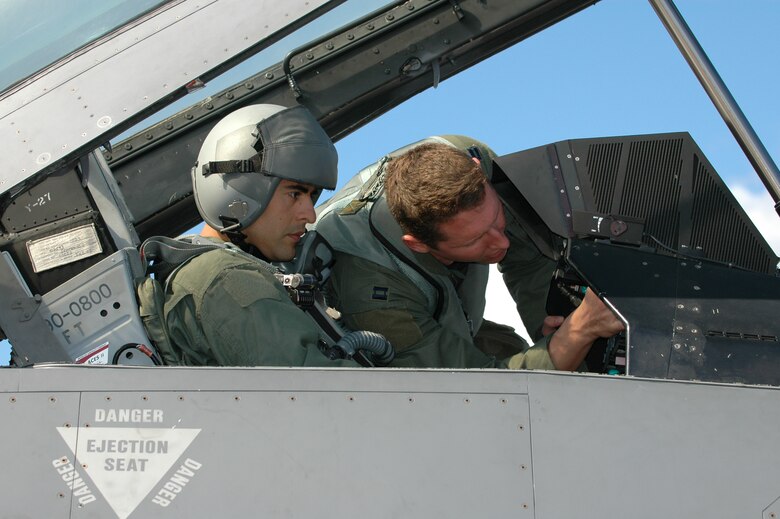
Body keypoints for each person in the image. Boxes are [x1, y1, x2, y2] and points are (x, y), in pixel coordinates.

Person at [315, 135, 624, 370]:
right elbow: (479, 390)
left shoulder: (468, 159)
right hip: (400, 348)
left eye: (496, 220)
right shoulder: (374, 296)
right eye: (473, 240)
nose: (500, 244)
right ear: (417, 244)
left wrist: (559, 328)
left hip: (460, 317)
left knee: (512, 347)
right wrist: (580, 330)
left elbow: (527, 262)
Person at [144, 103, 361, 367]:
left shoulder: (197, 268)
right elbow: (331, 394)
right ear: (238, 192)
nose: (310, 215)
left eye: (312, 196)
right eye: (294, 193)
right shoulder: (228, 280)